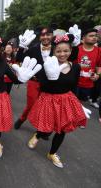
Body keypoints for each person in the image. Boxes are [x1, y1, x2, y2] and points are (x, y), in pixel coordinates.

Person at [27, 34, 90, 168]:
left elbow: (74, 86)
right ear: (53, 52)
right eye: (59, 51)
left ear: (71, 51)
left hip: (66, 101)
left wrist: (78, 104)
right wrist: (51, 76)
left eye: (65, 51)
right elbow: (42, 86)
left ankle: (52, 153)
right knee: (47, 126)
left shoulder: (76, 67)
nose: (62, 54)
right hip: (49, 99)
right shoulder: (48, 65)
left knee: (62, 129)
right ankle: (38, 135)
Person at [14, 27, 54, 130]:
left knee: (45, 107)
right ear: (40, 37)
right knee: (31, 105)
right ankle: (22, 119)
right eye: (43, 35)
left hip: (50, 84)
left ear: (52, 35)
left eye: (48, 34)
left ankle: (41, 129)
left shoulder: (57, 49)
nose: (45, 37)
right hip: (34, 81)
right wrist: (22, 47)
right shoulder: (33, 48)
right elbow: (19, 59)